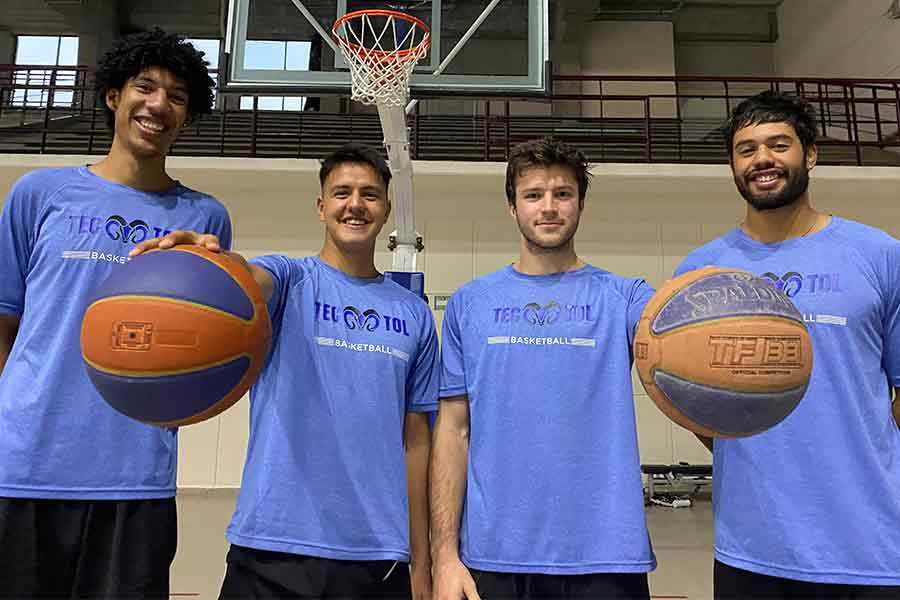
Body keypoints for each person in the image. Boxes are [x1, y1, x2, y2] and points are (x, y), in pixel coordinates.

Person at [131, 143, 437, 599]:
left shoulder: (413, 313)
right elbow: (247, 279)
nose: (355, 204)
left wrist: (423, 561)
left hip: (377, 557)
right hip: (272, 548)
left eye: (370, 194)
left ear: (386, 209)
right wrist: (210, 262)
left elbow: (416, 443)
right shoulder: (290, 278)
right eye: (342, 193)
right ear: (321, 207)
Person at [0, 29, 230, 598]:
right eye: (145, 87)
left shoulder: (205, 219)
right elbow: (5, 323)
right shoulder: (39, 193)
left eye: (177, 96)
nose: (159, 104)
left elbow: (214, 342)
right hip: (25, 468)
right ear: (113, 96)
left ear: (187, 116)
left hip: (135, 476)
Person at [674, 91, 900, 599]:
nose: (763, 159)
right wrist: (747, 440)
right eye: (746, 149)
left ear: (810, 153)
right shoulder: (701, 272)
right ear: (733, 165)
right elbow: (691, 399)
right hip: (752, 548)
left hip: (870, 547)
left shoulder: (880, 256)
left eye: (779, 145)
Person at [430, 137, 656, 600]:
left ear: (581, 204)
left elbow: (682, 337)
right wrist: (445, 556)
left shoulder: (625, 297)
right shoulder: (471, 303)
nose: (549, 207)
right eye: (533, 195)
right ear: (512, 207)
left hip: (605, 558)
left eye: (563, 194)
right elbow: (453, 431)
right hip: (493, 558)